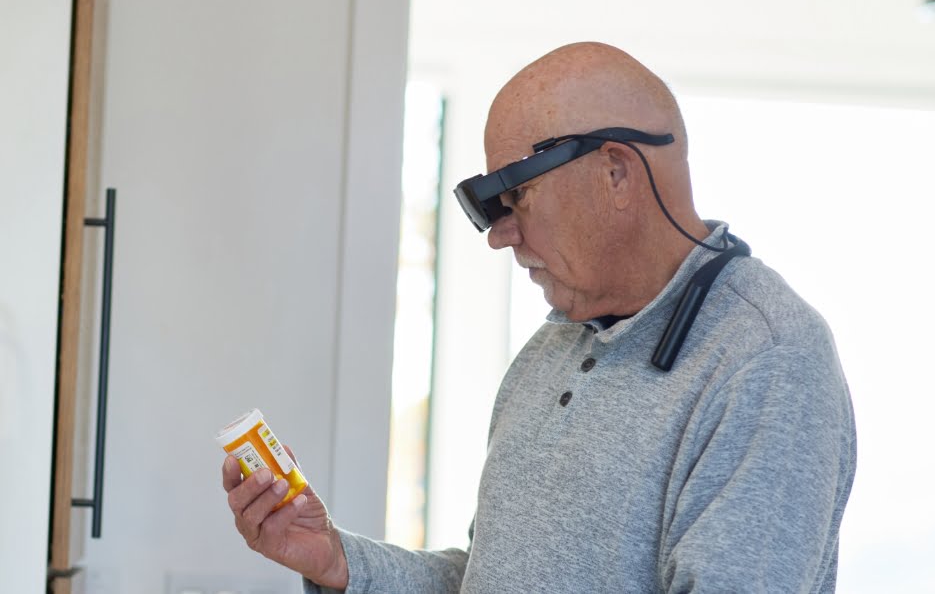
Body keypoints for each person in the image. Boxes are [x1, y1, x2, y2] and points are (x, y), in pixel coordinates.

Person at [222, 41, 857, 593]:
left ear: (616, 172)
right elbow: (489, 576)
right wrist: (339, 562)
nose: (500, 236)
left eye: (517, 194)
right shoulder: (550, 351)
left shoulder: (767, 361)